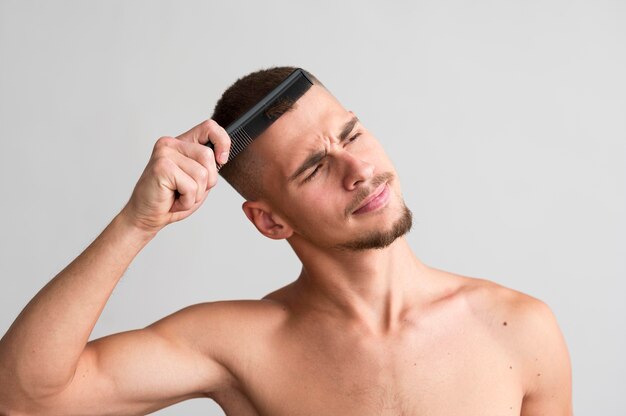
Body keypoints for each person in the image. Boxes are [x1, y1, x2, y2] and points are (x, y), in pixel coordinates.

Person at [0, 66, 572, 415]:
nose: (358, 168)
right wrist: (136, 223)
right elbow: (25, 400)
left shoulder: (518, 329)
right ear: (270, 222)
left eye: (352, 135)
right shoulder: (238, 346)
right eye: (315, 167)